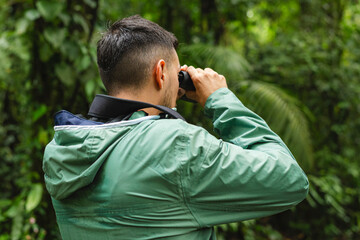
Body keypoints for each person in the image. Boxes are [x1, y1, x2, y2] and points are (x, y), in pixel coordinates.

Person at [43, 15, 309, 240]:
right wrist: (220, 99)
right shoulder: (173, 147)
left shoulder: (64, 151)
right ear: (160, 73)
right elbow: (289, 180)